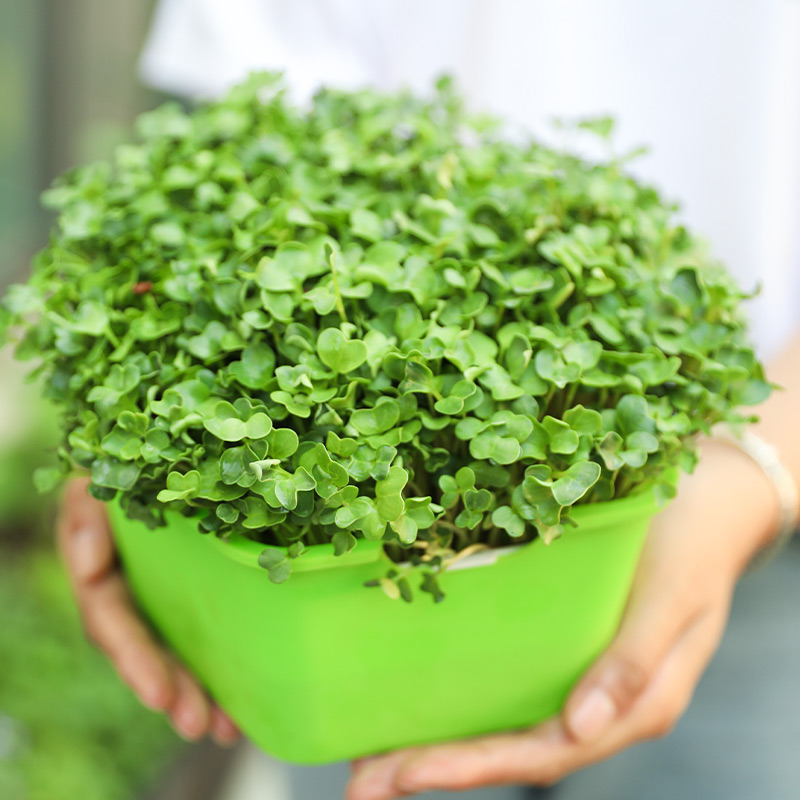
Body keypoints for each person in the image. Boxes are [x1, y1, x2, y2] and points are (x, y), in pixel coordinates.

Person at [58, 2, 800, 798]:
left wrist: (761, 460)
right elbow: (236, 110)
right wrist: (118, 429)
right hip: (339, 604)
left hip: (734, 508)